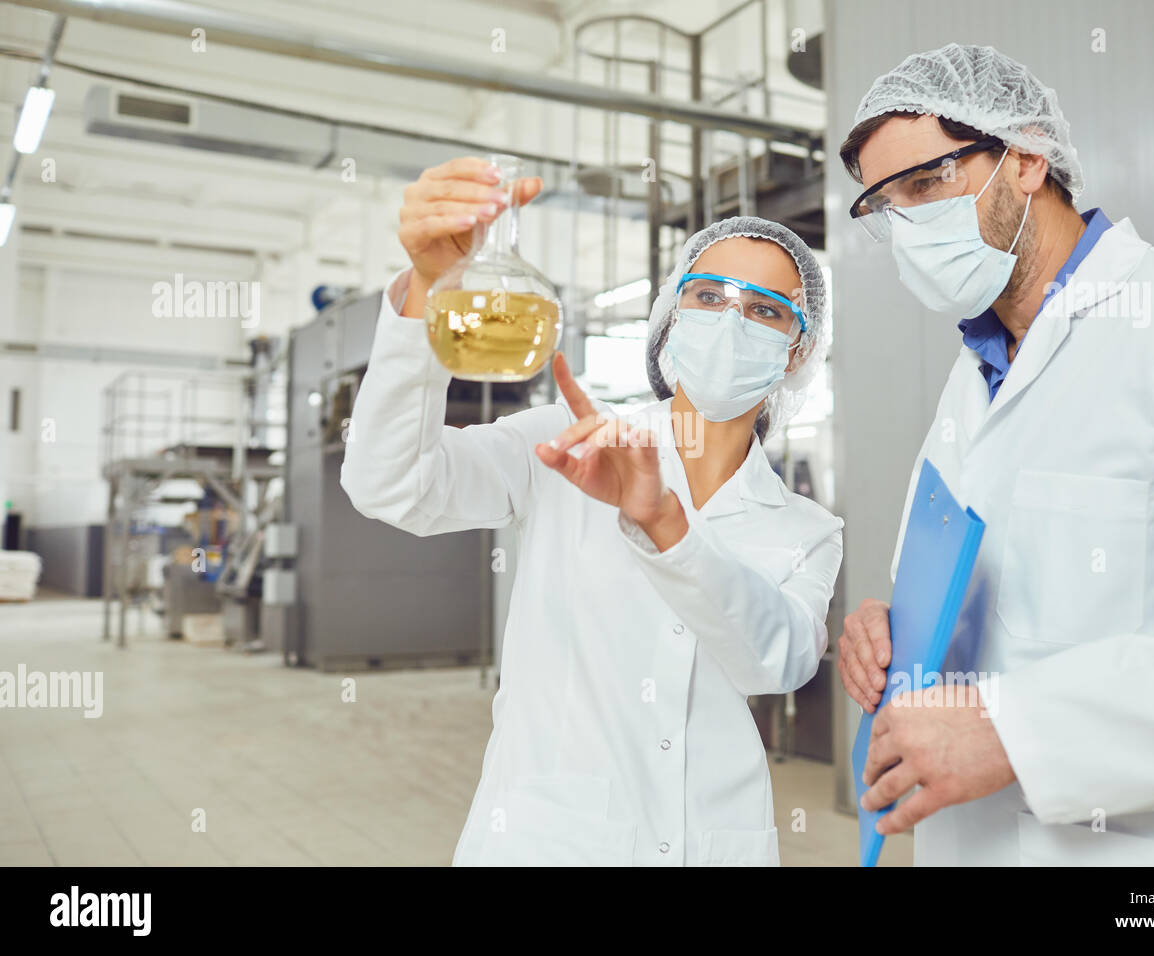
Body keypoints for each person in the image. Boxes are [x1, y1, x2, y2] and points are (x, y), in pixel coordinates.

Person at [835, 43, 1154, 865]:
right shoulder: (973, 376)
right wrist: (896, 631)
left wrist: (1020, 734)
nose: (907, 225)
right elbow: (996, 595)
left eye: (926, 183)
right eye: (884, 205)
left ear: (1025, 158)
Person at [340, 157, 842, 866]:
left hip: (715, 841)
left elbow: (777, 663)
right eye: (708, 296)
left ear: (798, 349)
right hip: (553, 840)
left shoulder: (805, 529)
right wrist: (429, 289)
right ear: (670, 317)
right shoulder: (566, 443)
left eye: (765, 309)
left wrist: (664, 525)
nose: (732, 321)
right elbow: (391, 483)